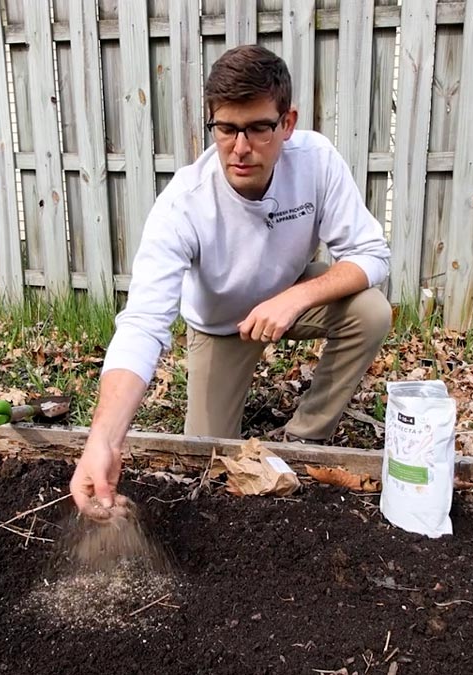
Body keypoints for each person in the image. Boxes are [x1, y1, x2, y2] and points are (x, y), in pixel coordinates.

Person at [71, 45, 392, 519]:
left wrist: (295, 297)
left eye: (259, 128)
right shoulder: (184, 204)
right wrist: (103, 440)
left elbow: (372, 254)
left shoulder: (316, 161)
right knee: (208, 457)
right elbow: (142, 324)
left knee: (371, 311)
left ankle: (304, 439)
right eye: (226, 129)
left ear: (287, 123)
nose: (240, 148)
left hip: (289, 293)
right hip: (220, 323)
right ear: (213, 124)